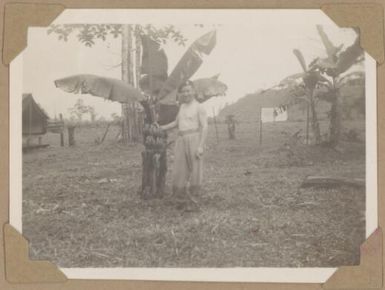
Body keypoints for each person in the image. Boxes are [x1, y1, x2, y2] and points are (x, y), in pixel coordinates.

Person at [160, 80, 208, 210]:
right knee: (179, 169)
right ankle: (179, 199)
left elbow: (204, 127)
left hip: (194, 139)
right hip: (181, 139)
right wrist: (161, 128)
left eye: (188, 90)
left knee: (196, 170)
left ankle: (194, 201)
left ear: (193, 91)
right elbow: (176, 123)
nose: (186, 93)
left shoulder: (199, 107)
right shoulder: (181, 106)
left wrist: (200, 146)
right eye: (183, 91)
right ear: (180, 93)